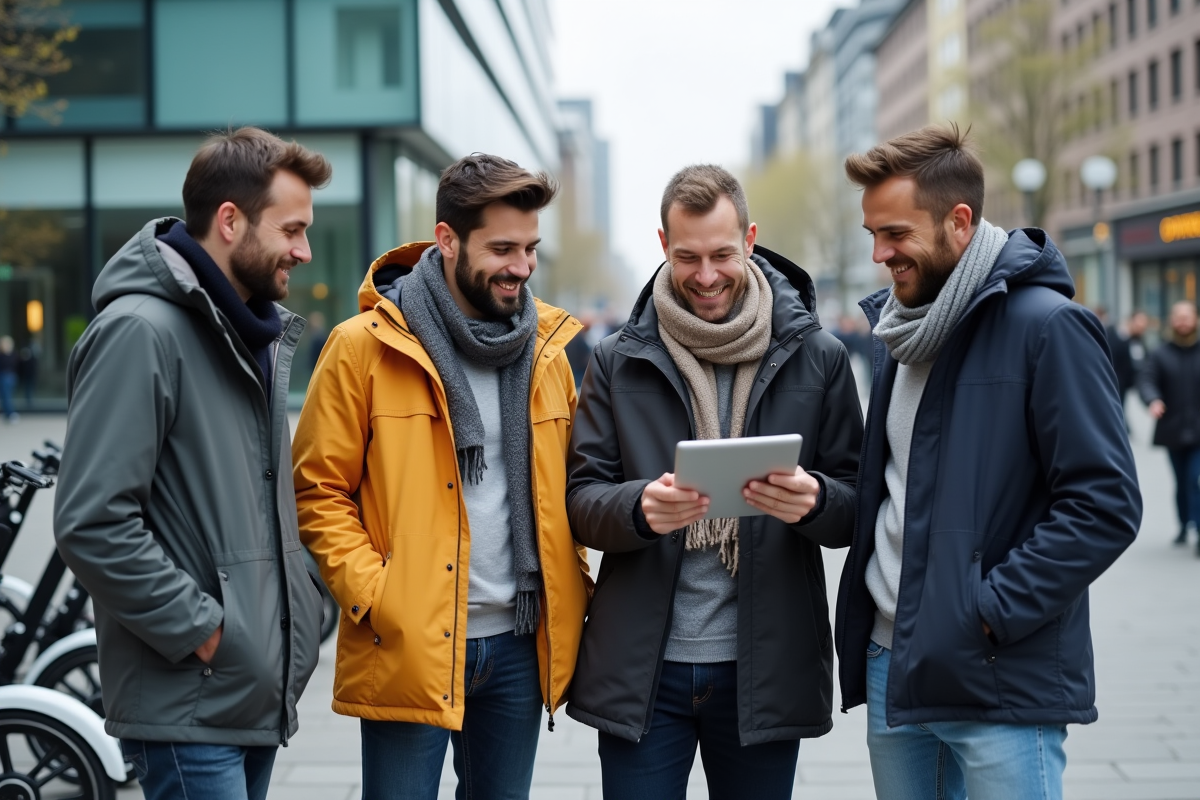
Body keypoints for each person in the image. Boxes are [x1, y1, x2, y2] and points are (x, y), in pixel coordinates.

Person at [835, 124, 1141, 800]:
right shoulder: (901, 331)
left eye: (896, 234)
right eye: (874, 236)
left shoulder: (1049, 327)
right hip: (894, 665)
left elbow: (1105, 505)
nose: (881, 254)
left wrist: (988, 610)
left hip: (998, 670)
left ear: (960, 221)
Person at [292, 154, 591, 800]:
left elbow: (566, 487)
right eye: (503, 248)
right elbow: (317, 490)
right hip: (410, 637)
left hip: (518, 641)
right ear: (447, 240)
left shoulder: (548, 352)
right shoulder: (362, 348)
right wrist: (379, 595)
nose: (522, 267)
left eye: (531, 248)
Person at [565, 164, 863, 799]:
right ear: (662, 246)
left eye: (723, 254)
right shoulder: (617, 360)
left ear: (751, 240)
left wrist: (814, 501)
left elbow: (857, 506)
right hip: (643, 670)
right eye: (688, 257)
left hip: (765, 666)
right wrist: (639, 509)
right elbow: (582, 501)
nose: (706, 276)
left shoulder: (819, 356)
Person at [53, 127, 332, 800]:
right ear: (230, 221)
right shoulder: (141, 333)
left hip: (246, 697)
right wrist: (209, 634)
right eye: (291, 229)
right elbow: (92, 522)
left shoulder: (247, 334)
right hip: (190, 702)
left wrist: (299, 603)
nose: (305, 249)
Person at [1138, 301, 1200, 548]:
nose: (1182, 321)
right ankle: (1184, 524)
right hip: (1173, 429)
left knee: (1194, 479)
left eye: (1187, 316)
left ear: (1195, 319)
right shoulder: (1160, 353)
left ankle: (1197, 527)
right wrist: (1153, 400)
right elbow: (1147, 379)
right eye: (1178, 316)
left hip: (1198, 430)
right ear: (1172, 321)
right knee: (1181, 480)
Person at [0, 336, 17, 422]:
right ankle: (8, 414)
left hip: (9, 376)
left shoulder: (12, 355)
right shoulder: (2, 355)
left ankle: (9, 413)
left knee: (7, 396)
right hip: (3, 376)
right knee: (5, 396)